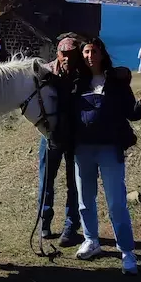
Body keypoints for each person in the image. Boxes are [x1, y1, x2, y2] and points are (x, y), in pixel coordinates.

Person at [71, 37, 141, 275]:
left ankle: (127, 252)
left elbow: (131, 113)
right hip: (82, 149)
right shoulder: (76, 83)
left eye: (94, 51)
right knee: (84, 200)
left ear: (102, 54)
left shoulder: (117, 83)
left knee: (116, 202)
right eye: (86, 52)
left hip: (110, 148)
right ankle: (91, 241)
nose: (90, 56)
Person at [38, 35, 83, 246]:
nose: (68, 58)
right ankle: (44, 223)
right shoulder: (45, 72)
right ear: (58, 53)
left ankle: (70, 226)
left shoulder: (84, 75)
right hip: (51, 136)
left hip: (76, 135)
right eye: (64, 54)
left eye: (72, 54)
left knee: (74, 183)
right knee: (46, 181)